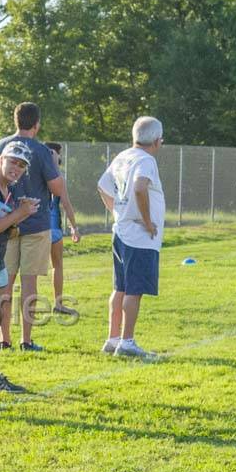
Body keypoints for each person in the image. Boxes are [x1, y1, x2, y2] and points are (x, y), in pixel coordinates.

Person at [0, 103, 79, 352]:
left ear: (15, 120)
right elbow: (56, 189)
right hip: (35, 224)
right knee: (29, 284)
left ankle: (3, 338)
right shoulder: (41, 150)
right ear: (37, 124)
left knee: (4, 284)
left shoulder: (1, 145)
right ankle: (26, 340)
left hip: (5, 222)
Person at [97, 117, 165, 359]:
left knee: (120, 288)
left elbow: (102, 185)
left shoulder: (123, 156)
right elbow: (139, 187)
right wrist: (147, 221)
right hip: (139, 235)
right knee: (134, 290)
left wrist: (118, 211)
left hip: (121, 231)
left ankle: (112, 337)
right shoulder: (146, 160)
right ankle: (127, 341)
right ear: (158, 141)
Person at [0, 143, 39, 392]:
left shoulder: (9, 190)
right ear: (1, 159)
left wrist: (21, 213)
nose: (17, 168)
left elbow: (6, 231)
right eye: (13, 161)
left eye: (22, 165)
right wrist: (19, 214)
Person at [44, 141, 81, 316]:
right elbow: (66, 204)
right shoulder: (58, 178)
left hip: (39, 227)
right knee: (57, 265)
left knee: (31, 271)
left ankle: (36, 305)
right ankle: (57, 304)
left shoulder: (34, 174)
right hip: (51, 228)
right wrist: (74, 227)